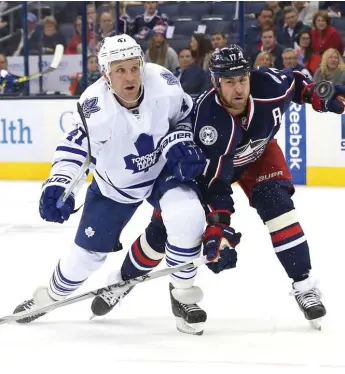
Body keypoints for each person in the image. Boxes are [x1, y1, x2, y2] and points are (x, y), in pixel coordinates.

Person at [95, 45, 345, 331]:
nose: (238, 89)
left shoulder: (269, 85)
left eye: (242, 79)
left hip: (259, 155)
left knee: (278, 207)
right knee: (162, 232)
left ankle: (305, 285)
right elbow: (215, 184)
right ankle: (123, 280)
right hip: (212, 170)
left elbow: (298, 82)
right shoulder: (208, 122)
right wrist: (218, 227)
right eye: (229, 82)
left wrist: (318, 95)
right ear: (215, 83)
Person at [13, 34, 208, 335]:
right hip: (115, 187)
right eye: (120, 70)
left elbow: (186, 117)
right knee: (85, 259)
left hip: (161, 173)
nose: (130, 78)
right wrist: (58, 184)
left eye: (134, 68)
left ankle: (184, 296)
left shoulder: (165, 84)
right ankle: (48, 297)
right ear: (106, 74)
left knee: (187, 214)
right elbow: (74, 149)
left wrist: (181, 139)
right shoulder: (95, 108)